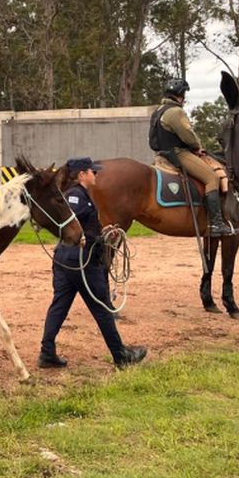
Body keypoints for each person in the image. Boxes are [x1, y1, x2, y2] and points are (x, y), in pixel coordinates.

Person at [38, 157, 147, 371]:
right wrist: (94, 239)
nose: (95, 175)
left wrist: (102, 233)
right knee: (102, 307)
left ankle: (47, 353)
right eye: (92, 172)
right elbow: (71, 228)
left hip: (66, 260)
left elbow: (82, 227)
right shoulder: (75, 197)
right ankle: (120, 355)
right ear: (81, 175)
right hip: (81, 261)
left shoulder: (79, 195)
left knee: (59, 306)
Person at [149, 78, 232, 237]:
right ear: (180, 94)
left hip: (162, 154)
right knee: (212, 178)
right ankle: (216, 223)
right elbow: (188, 135)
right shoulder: (175, 112)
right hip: (179, 153)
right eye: (184, 94)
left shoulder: (159, 111)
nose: (184, 97)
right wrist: (197, 146)